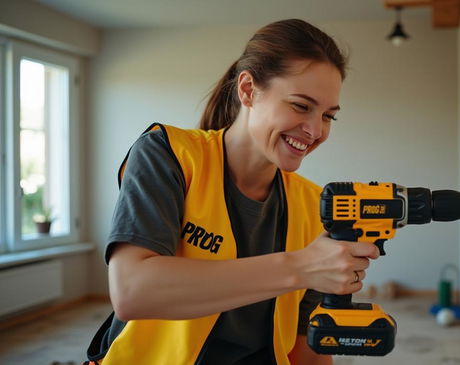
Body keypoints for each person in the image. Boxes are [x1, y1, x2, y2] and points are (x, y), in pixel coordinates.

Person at [85, 19, 380, 365]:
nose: (315, 130)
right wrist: (300, 267)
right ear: (248, 90)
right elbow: (133, 291)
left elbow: (307, 349)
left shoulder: (313, 205)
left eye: (329, 116)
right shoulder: (169, 154)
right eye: (301, 106)